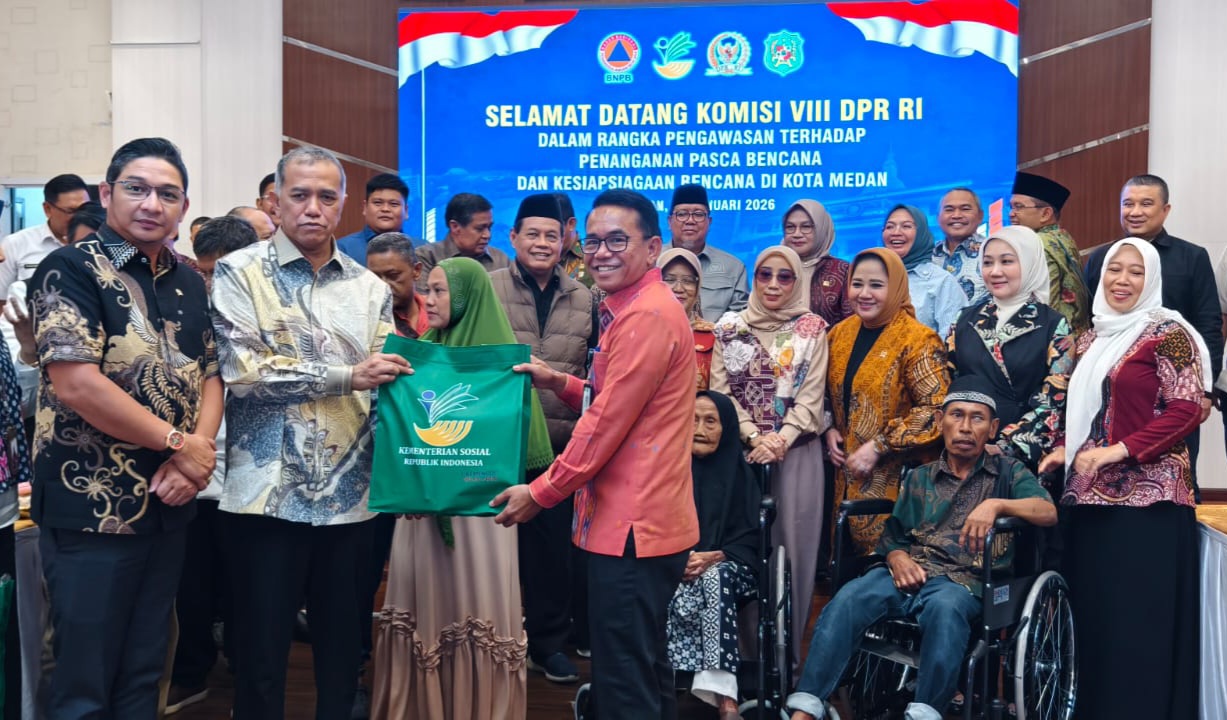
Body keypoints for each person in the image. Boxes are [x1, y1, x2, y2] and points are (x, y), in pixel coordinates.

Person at [210, 146, 411, 719]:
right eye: (300, 195)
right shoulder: (238, 271)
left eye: (327, 196)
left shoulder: (369, 288)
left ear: (344, 203)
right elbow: (244, 375)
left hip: (351, 501)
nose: (313, 208)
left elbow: (387, 389)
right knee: (260, 654)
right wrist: (348, 375)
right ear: (276, 200)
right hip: (264, 498)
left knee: (343, 654)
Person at [28, 137, 223, 718]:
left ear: (183, 208)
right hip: (90, 505)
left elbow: (213, 374)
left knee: (145, 673)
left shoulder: (188, 280)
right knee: (84, 678)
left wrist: (198, 455)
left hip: (169, 500)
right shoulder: (69, 267)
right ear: (108, 194)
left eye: (168, 194)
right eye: (136, 189)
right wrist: (179, 444)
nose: (151, 204)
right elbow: (77, 385)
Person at [492, 189, 700, 720]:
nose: (601, 253)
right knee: (642, 667)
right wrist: (558, 379)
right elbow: (614, 399)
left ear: (653, 248)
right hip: (641, 523)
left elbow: (605, 426)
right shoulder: (632, 308)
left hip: (633, 526)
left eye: (617, 241)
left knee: (623, 680)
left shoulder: (646, 316)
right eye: (592, 241)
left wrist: (540, 493)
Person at [788, 376, 1057, 720]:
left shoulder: (1008, 473)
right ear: (941, 422)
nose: (964, 427)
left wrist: (998, 506)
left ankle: (925, 713)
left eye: (977, 418)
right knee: (849, 599)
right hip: (913, 571)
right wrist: (897, 557)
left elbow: (1047, 512)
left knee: (945, 610)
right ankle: (806, 710)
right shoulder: (919, 478)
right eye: (956, 415)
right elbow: (894, 539)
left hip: (968, 581)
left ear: (993, 429)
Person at [372, 256, 554, 720]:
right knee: (423, 614)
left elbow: (521, 449)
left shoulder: (503, 366)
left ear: (468, 295)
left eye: (438, 291)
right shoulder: (416, 356)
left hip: (485, 513)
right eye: (425, 290)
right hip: (422, 510)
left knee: (481, 614)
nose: (427, 301)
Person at [1040, 238, 1205, 719]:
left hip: (1149, 505)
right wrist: (1063, 451)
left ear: (1151, 278)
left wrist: (1121, 450)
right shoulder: (1093, 337)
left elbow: (1188, 408)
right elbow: (1093, 413)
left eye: (1136, 272)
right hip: (1088, 501)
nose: (1123, 280)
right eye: (1115, 269)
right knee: (1096, 621)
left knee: (1137, 626)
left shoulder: (1170, 333)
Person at [489, 193, 594, 684]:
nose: (542, 242)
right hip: (494, 444)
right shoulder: (488, 289)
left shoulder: (584, 297)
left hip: (557, 447)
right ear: (513, 239)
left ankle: (549, 644)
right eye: (532, 233)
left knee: (552, 557)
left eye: (551, 235)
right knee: (494, 552)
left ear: (565, 240)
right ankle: (492, 641)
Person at [709, 244, 828, 664]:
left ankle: (784, 664)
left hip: (797, 457)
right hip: (741, 457)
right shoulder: (728, 327)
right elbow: (720, 393)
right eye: (764, 274)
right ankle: (740, 663)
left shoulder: (812, 328)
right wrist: (753, 438)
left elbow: (812, 397)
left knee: (793, 555)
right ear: (753, 278)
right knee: (741, 550)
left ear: (797, 281)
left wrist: (781, 438)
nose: (774, 284)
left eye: (784, 276)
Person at [165, 213, 259, 714]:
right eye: (203, 273)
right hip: (196, 474)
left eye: (219, 273)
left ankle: (250, 674)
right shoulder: (181, 316)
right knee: (193, 587)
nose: (209, 284)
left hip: (254, 477)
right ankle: (191, 673)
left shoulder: (269, 316)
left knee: (250, 588)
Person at [1084, 174, 1221, 494]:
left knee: (1177, 474)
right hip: (1115, 388)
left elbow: (1209, 325)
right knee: (1105, 471)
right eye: (1127, 203)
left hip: (1176, 391)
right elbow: (1089, 323)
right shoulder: (1101, 258)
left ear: (1166, 210)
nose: (1135, 211)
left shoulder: (1192, 257)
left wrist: (1204, 390)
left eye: (1146, 203)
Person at [825, 248, 949, 554]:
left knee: (888, 574)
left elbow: (936, 411)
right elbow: (828, 396)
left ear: (895, 287)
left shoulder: (918, 339)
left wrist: (880, 445)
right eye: (857, 283)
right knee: (846, 575)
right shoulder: (840, 334)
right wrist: (828, 427)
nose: (864, 294)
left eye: (877, 285)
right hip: (845, 481)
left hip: (898, 484)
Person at [665, 391, 761, 720]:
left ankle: (725, 697)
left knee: (712, 578)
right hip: (671, 561)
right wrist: (674, 558)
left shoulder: (741, 476)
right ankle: (653, 684)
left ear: (727, 428)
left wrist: (714, 556)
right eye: (692, 419)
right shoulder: (666, 470)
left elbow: (752, 538)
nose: (699, 429)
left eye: (710, 421)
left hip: (728, 567)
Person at [947, 225, 1074, 471]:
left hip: (1024, 456)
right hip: (963, 449)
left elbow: (1054, 401)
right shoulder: (963, 319)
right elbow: (949, 384)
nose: (995, 272)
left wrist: (1003, 446)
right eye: (987, 263)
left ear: (1029, 264)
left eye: (1007, 262)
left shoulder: (1053, 324)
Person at [0, 173, 90, 414]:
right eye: (71, 210)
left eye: (85, 209)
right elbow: (3, 305)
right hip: (31, 356)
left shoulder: (93, 245)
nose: (79, 217)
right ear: (48, 208)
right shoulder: (16, 245)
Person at [1008, 171, 1091, 333]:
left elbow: (1044, 305)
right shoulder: (1062, 236)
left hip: (1052, 341)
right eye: (1011, 207)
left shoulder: (1036, 244)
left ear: (1046, 214)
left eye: (1019, 207)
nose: (1011, 214)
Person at [881, 204, 966, 336]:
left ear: (921, 234)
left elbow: (951, 340)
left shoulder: (941, 281)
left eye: (906, 226)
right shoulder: (875, 276)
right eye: (889, 226)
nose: (896, 232)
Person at [667, 183, 749, 321]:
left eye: (698, 214)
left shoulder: (733, 268)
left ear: (709, 222)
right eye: (682, 214)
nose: (690, 221)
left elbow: (738, 321)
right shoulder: (650, 262)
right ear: (669, 221)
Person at [415, 192, 510, 289]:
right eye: (480, 229)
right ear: (455, 227)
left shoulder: (501, 260)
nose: (487, 235)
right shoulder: (426, 257)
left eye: (489, 228)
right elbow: (424, 301)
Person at [782, 198, 852, 327]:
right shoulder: (774, 266)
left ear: (821, 229)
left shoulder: (843, 271)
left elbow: (852, 325)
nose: (797, 234)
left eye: (806, 227)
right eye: (790, 227)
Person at [657, 247, 716, 390]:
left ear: (698, 286)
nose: (678, 288)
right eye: (670, 280)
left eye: (688, 281)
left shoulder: (713, 336)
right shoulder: (639, 330)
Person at [337, 173, 410, 266]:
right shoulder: (343, 249)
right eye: (378, 203)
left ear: (406, 211)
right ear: (365, 207)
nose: (385, 209)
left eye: (394, 204)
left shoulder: (421, 249)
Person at [931, 187, 988, 303]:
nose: (956, 215)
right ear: (938, 217)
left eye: (965, 209)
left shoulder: (992, 251)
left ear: (980, 216)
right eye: (949, 209)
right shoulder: (928, 256)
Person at [367, 232, 429, 338]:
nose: (384, 285)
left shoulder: (438, 312)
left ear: (416, 270)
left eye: (393, 275)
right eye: (375, 277)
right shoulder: (363, 322)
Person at [556, 193, 595, 288]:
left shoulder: (593, 259)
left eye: (553, 229)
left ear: (571, 224)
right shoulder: (533, 260)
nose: (543, 241)